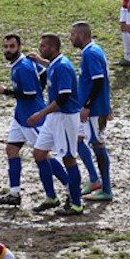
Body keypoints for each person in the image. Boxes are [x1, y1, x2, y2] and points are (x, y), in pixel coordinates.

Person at [0, 34, 70, 207]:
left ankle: (70, 187)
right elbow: (42, 74)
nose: (8, 50)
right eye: (5, 47)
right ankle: (14, 193)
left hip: (31, 117)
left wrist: (6, 92)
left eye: (12, 46)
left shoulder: (23, 68)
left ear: (19, 47)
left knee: (43, 155)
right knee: (11, 150)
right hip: (20, 117)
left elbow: (30, 94)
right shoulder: (21, 64)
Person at [26, 33, 85, 216]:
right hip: (54, 118)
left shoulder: (63, 67)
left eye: (43, 46)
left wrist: (40, 114)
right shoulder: (55, 64)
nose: (40, 48)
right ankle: (52, 197)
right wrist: (40, 60)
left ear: (53, 47)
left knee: (68, 158)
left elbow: (63, 97)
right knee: (39, 154)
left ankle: (76, 203)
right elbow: (52, 67)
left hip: (65, 118)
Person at [70, 22, 113, 202]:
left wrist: (88, 105)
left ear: (82, 35)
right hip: (90, 108)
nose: (70, 38)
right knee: (78, 140)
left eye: (73, 35)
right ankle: (95, 180)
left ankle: (107, 189)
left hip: (94, 110)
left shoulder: (90, 53)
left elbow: (99, 81)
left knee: (98, 145)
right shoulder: (92, 51)